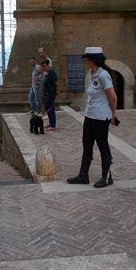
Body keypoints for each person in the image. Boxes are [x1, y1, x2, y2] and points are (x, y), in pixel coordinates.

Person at [67, 47, 118, 188]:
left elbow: (113, 97)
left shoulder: (103, 75)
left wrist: (114, 114)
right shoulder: (92, 73)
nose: (84, 62)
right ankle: (83, 175)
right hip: (90, 115)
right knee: (87, 145)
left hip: (101, 117)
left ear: (92, 61)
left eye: (86, 60)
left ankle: (106, 177)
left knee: (102, 145)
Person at [41, 59, 58, 130]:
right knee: (48, 108)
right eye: (43, 66)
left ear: (48, 65)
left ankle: (53, 125)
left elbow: (55, 82)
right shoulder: (46, 74)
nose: (44, 68)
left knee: (51, 108)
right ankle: (50, 123)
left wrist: (57, 91)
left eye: (45, 66)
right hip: (46, 93)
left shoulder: (51, 72)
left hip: (51, 93)